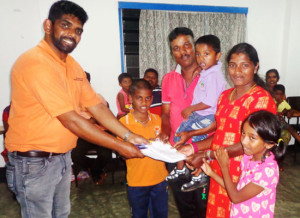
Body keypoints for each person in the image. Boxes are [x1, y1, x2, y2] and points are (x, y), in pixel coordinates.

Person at [5, 1, 146, 217]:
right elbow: (71, 120)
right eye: (65, 25)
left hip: (61, 158)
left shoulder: (72, 65)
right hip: (33, 163)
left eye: (78, 30)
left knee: (61, 214)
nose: (72, 34)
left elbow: (96, 106)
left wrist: (129, 135)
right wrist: (119, 145)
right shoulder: (36, 62)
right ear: (48, 25)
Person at [180, 42, 277, 217]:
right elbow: (221, 135)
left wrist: (206, 156)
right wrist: (195, 148)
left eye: (244, 65)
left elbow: (253, 143)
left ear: (256, 67)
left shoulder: (262, 100)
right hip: (220, 167)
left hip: (244, 171)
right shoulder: (225, 96)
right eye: (232, 65)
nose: (237, 71)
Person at [166, 35, 227, 192]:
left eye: (206, 54)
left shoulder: (214, 75)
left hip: (206, 116)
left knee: (195, 143)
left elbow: (210, 102)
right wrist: (200, 70)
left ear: (218, 56)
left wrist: (191, 109)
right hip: (199, 115)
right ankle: (180, 169)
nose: (201, 58)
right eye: (199, 54)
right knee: (180, 135)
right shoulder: (206, 72)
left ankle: (199, 175)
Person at [202, 110, 286, 218]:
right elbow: (238, 189)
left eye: (252, 138)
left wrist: (224, 167)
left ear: (269, 144)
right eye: (243, 133)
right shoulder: (249, 158)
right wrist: (211, 173)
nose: (244, 141)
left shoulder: (268, 170)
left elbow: (236, 197)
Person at [160, 27, 206, 218]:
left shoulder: (208, 76)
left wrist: (202, 152)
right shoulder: (168, 79)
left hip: (201, 153)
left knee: (203, 205)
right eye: (176, 48)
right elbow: (165, 113)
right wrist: (164, 131)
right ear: (172, 53)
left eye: (186, 45)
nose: (183, 52)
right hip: (175, 153)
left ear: (194, 46)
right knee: (184, 205)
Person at [119, 79, 168, 218]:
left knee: (160, 215)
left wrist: (164, 143)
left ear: (152, 99)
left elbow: (165, 146)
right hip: (137, 182)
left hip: (159, 179)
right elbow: (122, 153)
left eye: (147, 98)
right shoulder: (123, 124)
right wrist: (138, 149)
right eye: (139, 98)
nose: (144, 102)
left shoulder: (157, 120)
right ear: (130, 98)